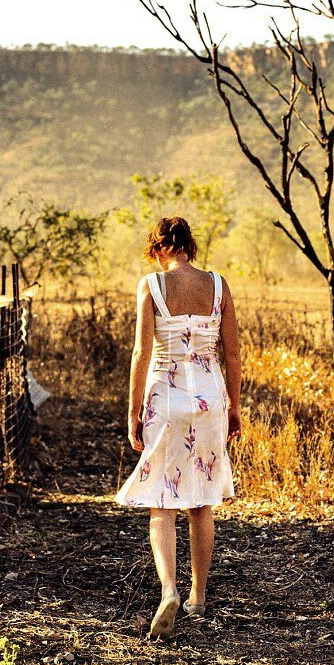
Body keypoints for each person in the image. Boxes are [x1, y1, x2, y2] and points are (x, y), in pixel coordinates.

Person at [114, 215, 242, 638]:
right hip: (209, 398)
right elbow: (234, 356)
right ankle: (198, 596)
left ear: (159, 249)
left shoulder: (151, 286)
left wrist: (133, 411)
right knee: (202, 500)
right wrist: (235, 407)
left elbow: (140, 351)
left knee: (162, 502)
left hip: (165, 397)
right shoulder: (219, 285)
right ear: (190, 245)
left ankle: (168, 588)